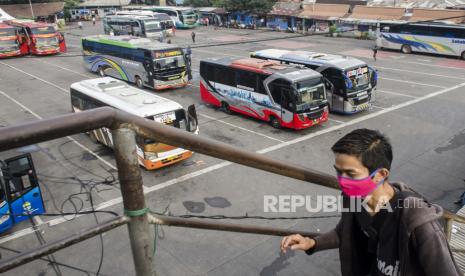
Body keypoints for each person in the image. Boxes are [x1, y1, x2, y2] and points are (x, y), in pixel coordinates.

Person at [280, 129, 462, 276]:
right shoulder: (354, 199)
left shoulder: (417, 221)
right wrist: (312, 243)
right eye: (338, 172)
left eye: (351, 174)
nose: (342, 181)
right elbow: (343, 232)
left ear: (381, 175)